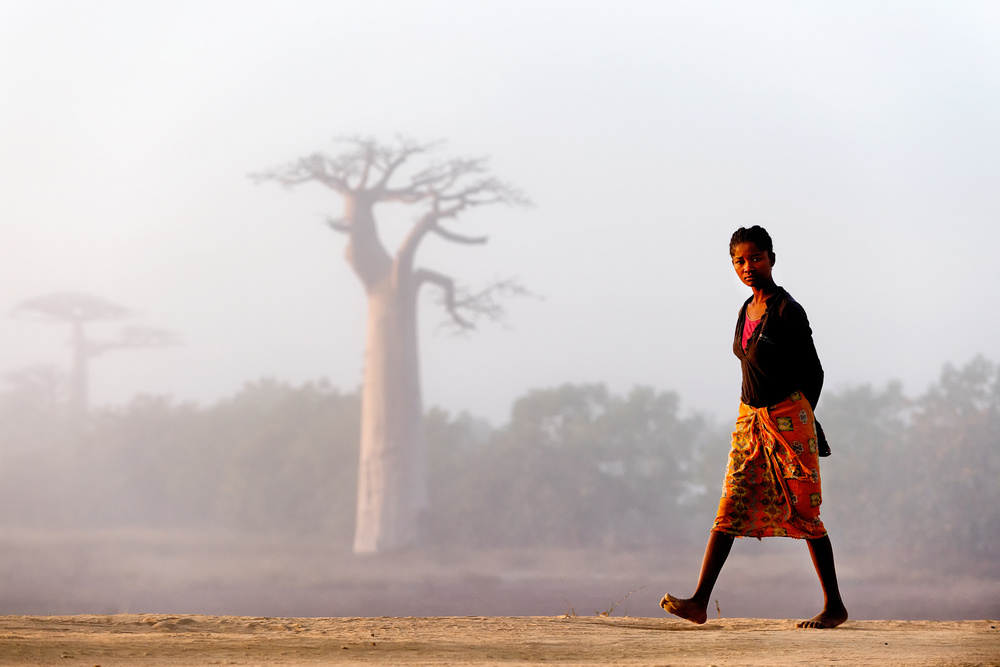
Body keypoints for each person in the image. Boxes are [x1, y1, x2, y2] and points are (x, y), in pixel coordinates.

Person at [660, 225, 848, 629]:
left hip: (789, 420)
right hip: (750, 420)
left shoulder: (788, 311)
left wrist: (802, 418)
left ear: (771, 260)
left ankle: (835, 606)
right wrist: (760, 414)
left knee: (804, 511)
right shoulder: (746, 309)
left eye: (756, 259)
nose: (748, 267)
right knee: (731, 503)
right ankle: (699, 602)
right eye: (739, 261)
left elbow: (814, 372)